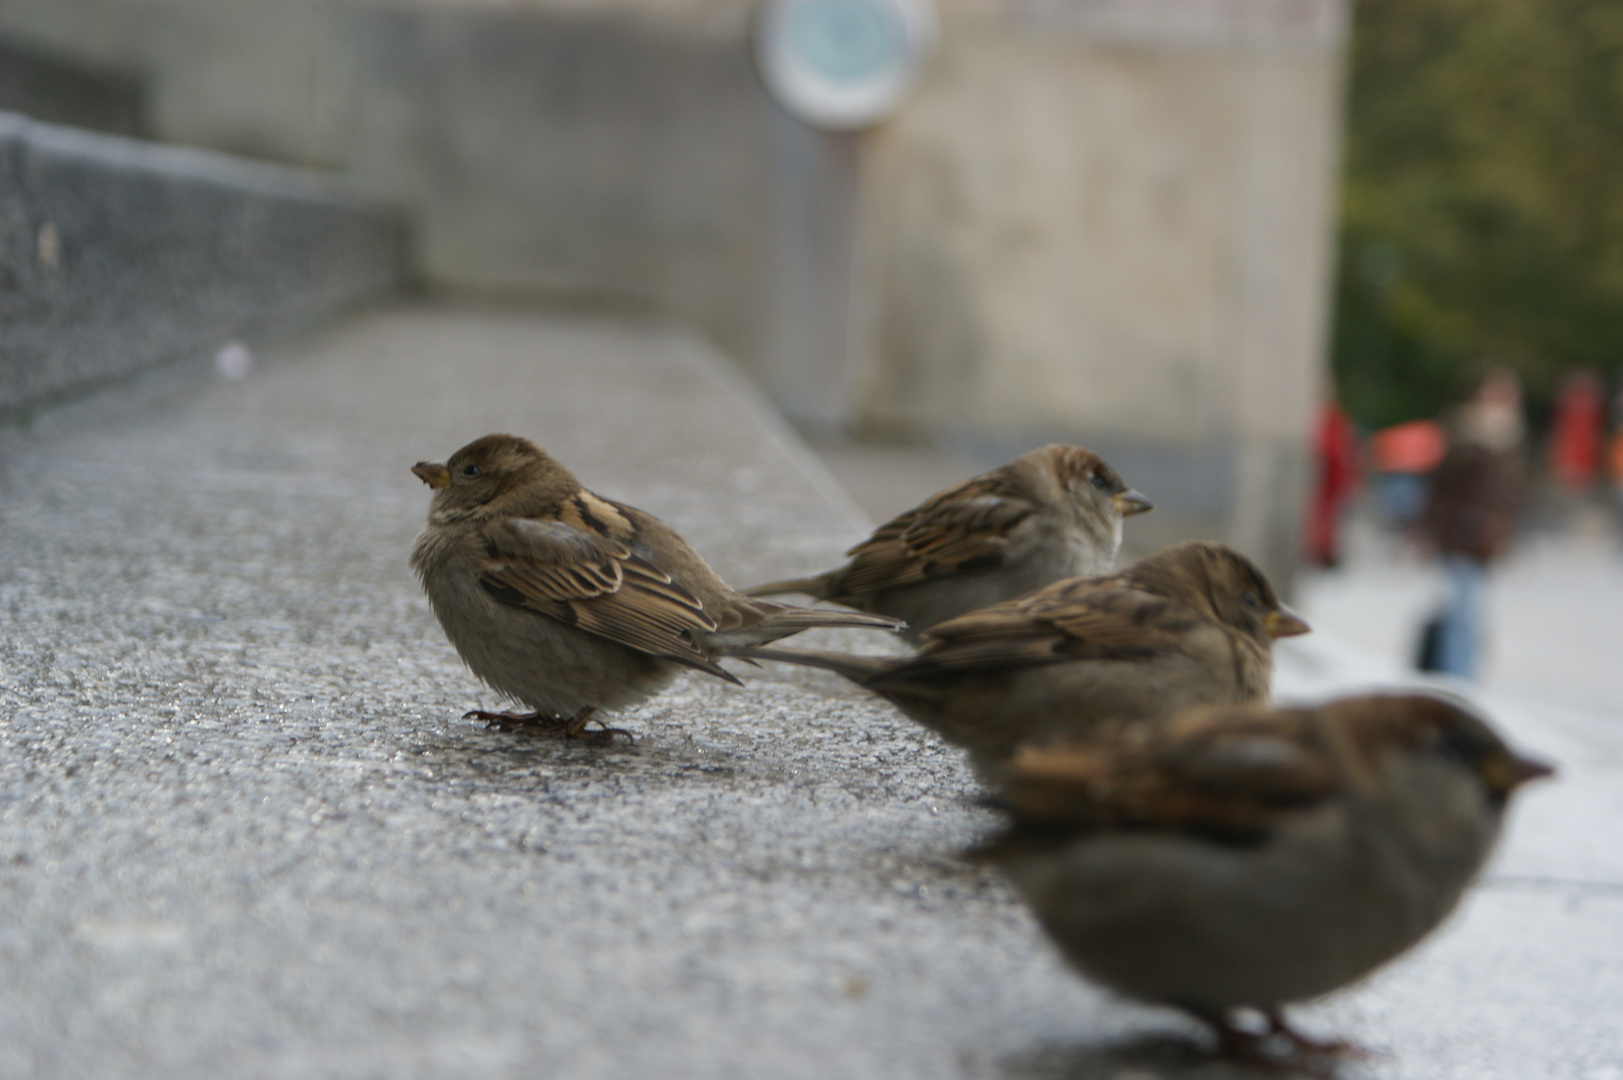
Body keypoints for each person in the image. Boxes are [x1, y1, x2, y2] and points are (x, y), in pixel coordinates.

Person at [1417, 366, 1526, 677]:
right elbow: (1440, 487)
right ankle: (1457, 674)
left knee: (1471, 608)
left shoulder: (1510, 437)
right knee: (1462, 607)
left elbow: (1513, 494)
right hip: (1458, 531)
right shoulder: (1464, 433)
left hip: (1487, 536)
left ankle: (1463, 670)